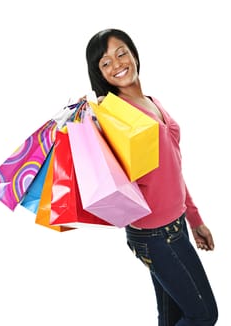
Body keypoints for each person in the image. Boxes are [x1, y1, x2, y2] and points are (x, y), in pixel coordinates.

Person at [85, 28, 218, 325]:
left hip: (176, 226)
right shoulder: (112, 115)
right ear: (99, 73)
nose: (117, 64)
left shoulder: (152, 101)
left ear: (134, 54)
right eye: (105, 63)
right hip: (154, 235)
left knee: (172, 316)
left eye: (121, 53)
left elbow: (173, 168)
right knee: (204, 316)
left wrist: (194, 219)